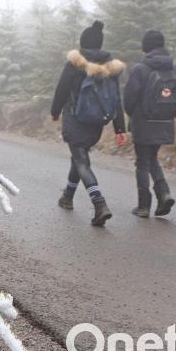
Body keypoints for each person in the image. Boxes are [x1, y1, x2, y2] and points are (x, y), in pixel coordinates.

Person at [50, 20, 127, 226]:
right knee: (79, 156)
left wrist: (55, 112)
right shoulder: (110, 68)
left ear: (83, 43)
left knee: (81, 160)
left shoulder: (75, 63)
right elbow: (116, 99)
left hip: (75, 119)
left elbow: (62, 89)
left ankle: (99, 203)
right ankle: (67, 197)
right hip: (97, 123)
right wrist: (120, 127)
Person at [123, 30, 176, 218]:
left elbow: (129, 98)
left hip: (144, 120)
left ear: (146, 46)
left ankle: (144, 205)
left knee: (142, 161)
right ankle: (164, 193)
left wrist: (132, 115)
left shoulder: (140, 69)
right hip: (164, 120)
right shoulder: (174, 69)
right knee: (152, 157)